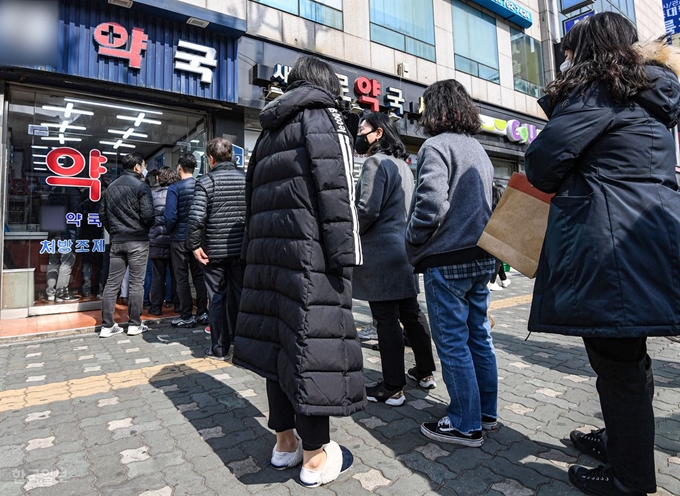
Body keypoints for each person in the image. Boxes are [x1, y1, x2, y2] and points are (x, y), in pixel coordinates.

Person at [524, 12, 680, 496]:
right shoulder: (650, 92)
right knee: (628, 357)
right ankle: (620, 441)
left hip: (611, 246)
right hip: (645, 236)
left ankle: (630, 478)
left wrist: (560, 98)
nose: (565, 59)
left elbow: (541, 164)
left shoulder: (600, 92)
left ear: (589, 49)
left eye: (570, 50)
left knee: (616, 365)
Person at [233, 55, 362, 487]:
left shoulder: (269, 129)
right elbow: (338, 191)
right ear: (327, 84)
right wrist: (347, 258)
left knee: (279, 349)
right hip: (312, 258)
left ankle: (284, 444)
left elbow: (252, 201)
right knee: (312, 351)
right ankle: (314, 458)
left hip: (271, 257)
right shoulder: (324, 117)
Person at [406, 79, 497, 448]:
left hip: (448, 258)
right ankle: (485, 414)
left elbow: (431, 203)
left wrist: (412, 236)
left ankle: (463, 422)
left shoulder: (436, 146)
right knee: (479, 338)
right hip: (481, 256)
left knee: (453, 343)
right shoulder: (479, 148)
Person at [352, 111, 437, 406]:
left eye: (362, 129)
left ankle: (392, 387)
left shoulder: (376, 162)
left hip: (380, 253)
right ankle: (424, 372)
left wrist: (350, 233)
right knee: (411, 313)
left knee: (385, 318)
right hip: (403, 250)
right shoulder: (403, 164)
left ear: (377, 133)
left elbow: (367, 209)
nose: (359, 135)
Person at [188, 138, 245, 358]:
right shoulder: (246, 179)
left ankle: (220, 347)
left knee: (218, 298)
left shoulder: (206, 181)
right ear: (231, 156)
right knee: (240, 296)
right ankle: (242, 347)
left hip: (213, 251)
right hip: (241, 249)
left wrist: (194, 245)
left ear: (210, 159)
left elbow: (196, 219)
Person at [99, 152, 154, 338]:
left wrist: (115, 231)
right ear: (137, 167)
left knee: (111, 283)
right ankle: (134, 324)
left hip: (117, 241)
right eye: (144, 165)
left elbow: (103, 216)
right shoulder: (142, 187)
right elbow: (148, 216)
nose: (144, 168)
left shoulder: (110, 188)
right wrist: (142, 228)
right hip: (138, 240)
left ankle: (107, 326)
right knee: (136, 283)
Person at [165, 153, 208, 328]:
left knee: (181, 277)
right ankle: (202, 313)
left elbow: (170, 216)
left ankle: (186, 315)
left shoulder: (174, 188)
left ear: (179, 168)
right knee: (199, 276)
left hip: (179, 239)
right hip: (198, 238)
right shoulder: (201, 185)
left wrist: (170, 231)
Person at [147, 167, 179, 316]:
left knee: (157, 276)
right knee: (176, 275)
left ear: (160, 179)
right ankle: (177, 304)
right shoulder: (177, 193)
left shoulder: (152, 194)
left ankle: (156, 307)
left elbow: (147, 217)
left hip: (156, 239)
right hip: (174, 240)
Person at [44, 186, 80, 302]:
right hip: (67, 233)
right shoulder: (73, 192)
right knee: (66, 263)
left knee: (53, 262)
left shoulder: (54, 192)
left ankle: (50, 292)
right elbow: (76, 213)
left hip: (53, 232)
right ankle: (61, 292)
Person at [487, 182, 510, 291]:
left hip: (487, 232)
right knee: (498, 256)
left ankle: (504, 279)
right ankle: (491, 281)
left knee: (498, 256)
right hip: (499, 231)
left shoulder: (488, 206)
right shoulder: (502, 209)